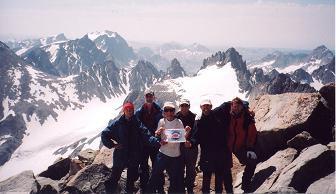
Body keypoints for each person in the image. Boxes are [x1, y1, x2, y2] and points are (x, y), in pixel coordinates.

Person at [101, 102, 161, 193]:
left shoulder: (137, 123)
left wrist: (157, 141)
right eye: (127, 110)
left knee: (130, 181)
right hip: (120, 156)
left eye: (131, 110)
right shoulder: (117, 124)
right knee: (115, 177)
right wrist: (112, 145)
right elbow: (104, 134)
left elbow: (147, 136)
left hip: (133, 156)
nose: (129, 112)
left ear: (133, 111)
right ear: (124, 111)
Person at [186, 99, 233, 193]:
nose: (206, 108)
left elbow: (231, 103)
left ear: (211, 107)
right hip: (207, 154)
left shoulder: (218, 112)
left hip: (221, 152)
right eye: (204, 106)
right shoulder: (199, 121)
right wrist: (191, 143)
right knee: (206, 179)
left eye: (207, 106)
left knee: (221, 179)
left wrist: (246, 106)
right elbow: (196, 136)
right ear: (201, 107)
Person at [146, 101, 188, 193]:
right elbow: (157, 136)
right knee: (155, 175)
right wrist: (158, 135)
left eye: (171, 110)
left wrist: (186, 133)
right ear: (164, 112)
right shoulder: (161, 121)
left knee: (174, 179)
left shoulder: (178, 122)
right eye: (166, 110)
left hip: (175, 155)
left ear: (174, 111)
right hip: (163, 153)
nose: (169, 112)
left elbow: (182, 137)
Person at [226, 97, 257, 193]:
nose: (235, 108)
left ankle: (245, 184)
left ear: (241, 107)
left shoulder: (247, 117)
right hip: (228, 146)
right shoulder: (227, 115)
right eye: (234, 106)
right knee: (225, 168)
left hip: (240, 147)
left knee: (251, 162)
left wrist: (250, 148)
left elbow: (252, 133)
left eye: (238, 107)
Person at [135, 90, 164, 192]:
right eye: (147, 96)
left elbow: (162, 125)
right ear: (145, 97)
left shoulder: (159, 111)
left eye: (150, 96)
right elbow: (137, 127)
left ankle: (160, 188)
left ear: (153, 97)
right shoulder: (139, 112)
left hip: (155, 143)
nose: (149, 98)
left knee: (157, 165)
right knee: (143, 166)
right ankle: (145, 188)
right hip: (143, 144)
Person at [176, 99, 197, 193]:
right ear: (180, 107)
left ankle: (189, 186)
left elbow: (197, 132)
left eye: (186, 105)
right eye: (182, 106)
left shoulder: (195, 117)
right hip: (178, 147)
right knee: (179, 167)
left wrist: (191, 142)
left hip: (191, 147)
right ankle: (180, 186)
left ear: (189, 106)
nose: (184, 107)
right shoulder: (175, 117)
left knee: (191, 168)